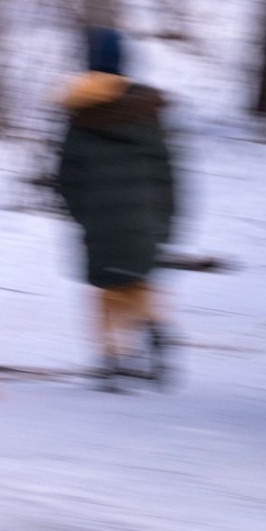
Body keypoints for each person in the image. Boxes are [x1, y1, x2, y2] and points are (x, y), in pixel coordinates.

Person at [54, 26, 178, 392]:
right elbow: (166, 171)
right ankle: (154, 324)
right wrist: (166, 217)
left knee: (106, 286)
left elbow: (66, 176)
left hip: (99, 215)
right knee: (136, 279)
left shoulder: (79, 111)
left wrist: (80, 214)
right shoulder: (148, 113)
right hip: (145, 215)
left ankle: (111, 359)